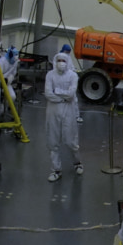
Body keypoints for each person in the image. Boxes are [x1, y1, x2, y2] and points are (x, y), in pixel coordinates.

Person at [44, 51, 82, 181]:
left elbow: (71, 94)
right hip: (53, 112)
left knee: (71, 140)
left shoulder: (73, 76)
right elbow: (48, 93)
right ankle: (56, 170)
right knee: (53, 141)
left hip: (68, 112)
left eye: (63, 61)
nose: (61, 63)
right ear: (55, 62)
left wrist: (57, 92)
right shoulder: (50, 75)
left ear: (68, 62)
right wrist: (63, 98)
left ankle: (77, 163)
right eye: (59, 60)